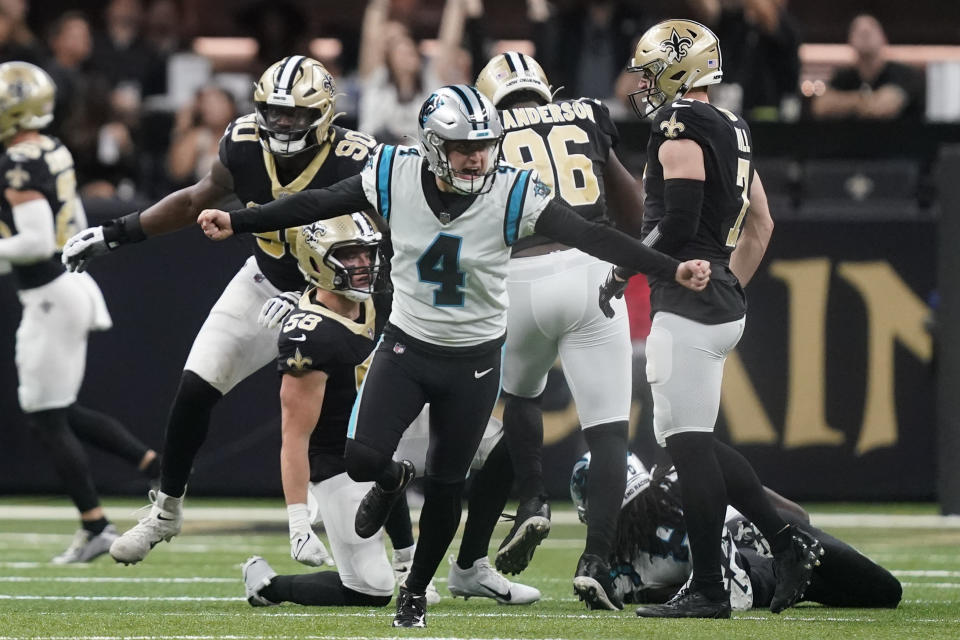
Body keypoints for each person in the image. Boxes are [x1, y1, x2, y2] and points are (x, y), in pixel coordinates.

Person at [197, 83, 711, 627]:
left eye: (485, 145)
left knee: (446, 488)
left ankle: (414, 592)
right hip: (407, 346)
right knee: (362, 461)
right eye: (465, 146)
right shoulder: (394, 171)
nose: (477, 156)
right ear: (433, 145)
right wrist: (239, 221)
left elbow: (593, 236)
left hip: (474, 362)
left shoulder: (513, 190)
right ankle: (394, 481)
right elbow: (317, 203)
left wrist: (667, 268)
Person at [59, 56, 380, 566]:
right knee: (194, 388)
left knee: (346, 438)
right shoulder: (246, 143)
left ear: (322, 114)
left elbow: (391, 241)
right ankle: (166, 510)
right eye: (274, 113)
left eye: (296, 116)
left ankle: (403, 561)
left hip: (336, 301)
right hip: (264, 280)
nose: (282, 125)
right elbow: (194, 201)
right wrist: (114, 233)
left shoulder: (357, 158)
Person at [599, 19, 823, 619]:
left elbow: (677, 220)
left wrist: (625, 271)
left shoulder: (677, 126)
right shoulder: (734, 126)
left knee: (687, 447)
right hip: (718, 300)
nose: (642, 84)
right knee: (691, 444)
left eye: (651, 71)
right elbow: (762, 224)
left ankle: (711, 590)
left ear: (677, 69)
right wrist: (727, 285)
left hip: (692, 305)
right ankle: (783, 542)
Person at [242, 217, 539, 608]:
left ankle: (471, 567)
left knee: (504, 445)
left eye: (366, 252)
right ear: (317, 262)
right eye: (349, 255)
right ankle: (267, 585)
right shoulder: (309, 334)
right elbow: (295, 436)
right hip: (338, 459)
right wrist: (298, 520)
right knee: (370, 589)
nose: (364, 264)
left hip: (394, 428)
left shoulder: (381, 294)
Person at [473, 51, 646, 610]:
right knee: (609, 433)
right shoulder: (587, 112)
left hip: (518, 275)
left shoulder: (484, 130)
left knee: (520, 395)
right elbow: (634, 211)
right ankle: (596, 560)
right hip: (589, 267)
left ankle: (532, 500)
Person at [0, 60, 159, 563]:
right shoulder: (47, 147)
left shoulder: (20, 159)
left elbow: (35, 239)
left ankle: (95, 524)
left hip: (51, 292)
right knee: (56, 410)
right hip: (61, 288)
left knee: (46, 416)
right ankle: (155, 464)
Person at [570, 453, 903, 611]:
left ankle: (799, 582)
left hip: (755, 576)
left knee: (883, 594)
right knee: (886, 592)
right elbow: (797, 515)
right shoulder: (677, 472)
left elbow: (655, 594)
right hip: (778, 542)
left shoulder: (617, 568)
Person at [810, 14, 925, 121]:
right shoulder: (844, 76)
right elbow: (820, 106)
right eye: (859, 32)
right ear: (850, 41)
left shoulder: (903, 74)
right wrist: (864, 99)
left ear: (884, 38)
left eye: (870, 31)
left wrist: (844, 102)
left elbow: (883, 108)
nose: (865, 34)